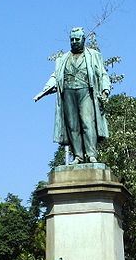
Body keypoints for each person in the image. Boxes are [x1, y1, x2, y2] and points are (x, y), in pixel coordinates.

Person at [34, 27, 111, 164]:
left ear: (83, 40)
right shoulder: (63, 59)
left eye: (77, 39)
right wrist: (43, 91)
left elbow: (103, 73)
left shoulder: (94, 55)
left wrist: (105, 90)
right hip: (68, 92)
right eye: (72, 39)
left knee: (87, 123)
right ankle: (78, 156)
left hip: (86, 91)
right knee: (72, 126)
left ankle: (91, 154)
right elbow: (55, 77)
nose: (74, 42)